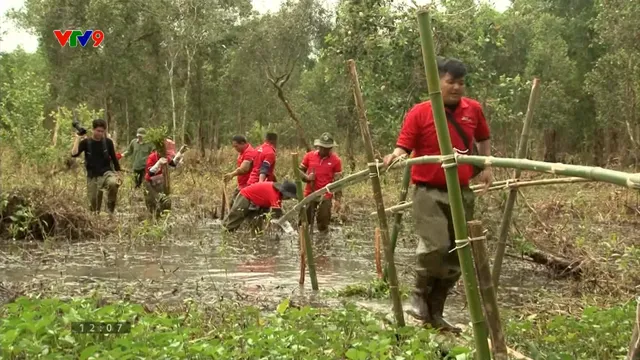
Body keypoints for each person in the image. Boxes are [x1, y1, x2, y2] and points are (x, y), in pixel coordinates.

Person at [382, 57, 492, 333]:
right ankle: (419, 295)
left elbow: (483, 137)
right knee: (435, 246)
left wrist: (487, 165)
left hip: (462, 192)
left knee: (458, 253)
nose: (457, 88)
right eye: (451, 82)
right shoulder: (420, 112)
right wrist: (394, 157)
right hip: (429, 192)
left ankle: (436, 313)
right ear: (438, 82)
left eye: (461, 83)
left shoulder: (473, 110)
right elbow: (403, 147)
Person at [71, 118, 123, 214]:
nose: (100, 133)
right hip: (93, 176)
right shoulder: (86, 142)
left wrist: (118, 173)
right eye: (98, 131)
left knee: (113, 183)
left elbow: (114, 158)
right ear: (93, 130)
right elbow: (74, 154)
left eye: (102, 131)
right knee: (93, 204)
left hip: (107, 173)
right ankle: (96, 219)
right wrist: (77, 138)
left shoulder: (108, 142)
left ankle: (110, 211)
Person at [298, 133, 343, 235]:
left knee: (323, 223)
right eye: (322, 148)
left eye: (327, 148)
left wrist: (338, 200)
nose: (324, 150)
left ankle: (322, 246)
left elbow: (338, 182)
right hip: (309, 193)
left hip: (325, 195)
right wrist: (307, 178)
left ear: (331, 148)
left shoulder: (336, 161)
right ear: (318, 146)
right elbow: (299, 171)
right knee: (303, 222)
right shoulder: (309, 156)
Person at [223, 180, 297, 232]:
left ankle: (255, 243)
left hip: (256, 204)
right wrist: (290, 231)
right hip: (245, 197)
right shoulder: (274, 195)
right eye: (288, 196)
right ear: (284, 193)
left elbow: (276, 212)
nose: (288, 198)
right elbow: (277, 214)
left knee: (256, 226)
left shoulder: (277, 195)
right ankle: (224, 237)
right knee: (235, 219)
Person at [143, 139, 187, 218]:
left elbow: (173, 164)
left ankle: (164, 222)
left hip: (160, 184)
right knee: (154, 206)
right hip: (150, 186)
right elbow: (149, 173)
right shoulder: (152, 157)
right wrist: (158, 163)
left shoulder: (165, 157)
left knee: (166, 203)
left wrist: (180, 152)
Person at [223, 135, 256, 203]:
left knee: (236, 207)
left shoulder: (249, 152)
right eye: (234, 146)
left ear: (243, 143)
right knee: (233, 204)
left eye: (236, 146)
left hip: (248, 185)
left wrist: (232, 174)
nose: (235, 148)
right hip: (242, 185)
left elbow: (244, 169)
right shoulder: (242, 152)